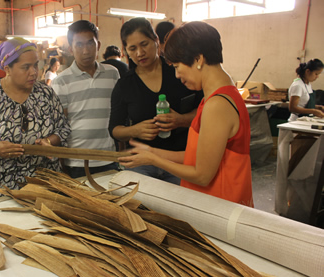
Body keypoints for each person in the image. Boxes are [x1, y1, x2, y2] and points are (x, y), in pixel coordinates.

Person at [118, 21, 253, 206]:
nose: (176, 75)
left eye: (176, 66)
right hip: (214, 204)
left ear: (198, 59)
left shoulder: (217, 105)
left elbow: (202, 175)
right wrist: (151, 151)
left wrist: (154, 159)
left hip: (218, 207)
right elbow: (197, 156)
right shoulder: (219, 96)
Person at [0, 37, 71, 189]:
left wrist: (49, 141)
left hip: (47, 180)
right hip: (8, 184)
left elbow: (63, 128)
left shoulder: (45, 94)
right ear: (7, 68)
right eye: (26, 67)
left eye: (36, 65)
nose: (34, 72)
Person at [109, 17, 202, 185]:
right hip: (142, 162)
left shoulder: (179, 72)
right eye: (132, 48)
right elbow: (114, 129)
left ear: (156, 41)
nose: (139, 53)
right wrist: (134, 130)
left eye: (144, 44)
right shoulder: (125, 85)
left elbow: (204, 110)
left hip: (180, 158)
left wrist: (182, 120)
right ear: (126, 51)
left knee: (182, 208)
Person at [51, 20, 120, 179]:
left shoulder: (113, 74)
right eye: (79, 45)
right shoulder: (61, 81)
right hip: (76, 162)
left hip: (108, 157)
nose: (86, 51)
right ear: (70, 49)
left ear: (98, 44)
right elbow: (61, 125)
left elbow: (118, 114)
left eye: (90, 43)